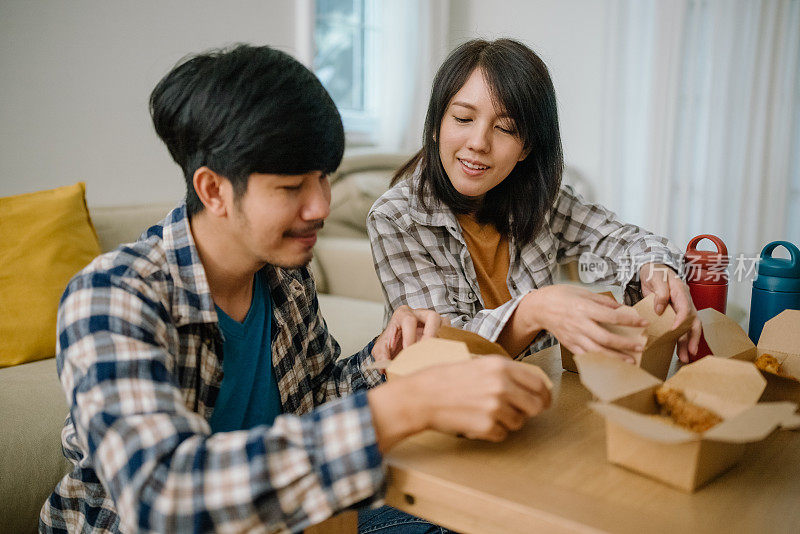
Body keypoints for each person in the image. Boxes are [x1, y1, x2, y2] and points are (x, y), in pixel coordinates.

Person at [39, 44, 552, 533]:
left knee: (505, 505)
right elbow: (163, 498)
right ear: (213, 190)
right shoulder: (112, 296)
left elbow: (314, 397)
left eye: (322, 179)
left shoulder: (282, 275)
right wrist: (408, 405)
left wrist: (384, 359)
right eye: (290, 189)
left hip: (286, 520)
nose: (321, 207)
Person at [367, 38, 702, 364]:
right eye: (463, 119)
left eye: (506, 128)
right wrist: (535, 309)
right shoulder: (395, 218)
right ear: (436, 125)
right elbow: (441, 348)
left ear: (526, 146)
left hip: (539, 386)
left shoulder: (538, 199)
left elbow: (626, 240)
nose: (479, 142)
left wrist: (657, 270)